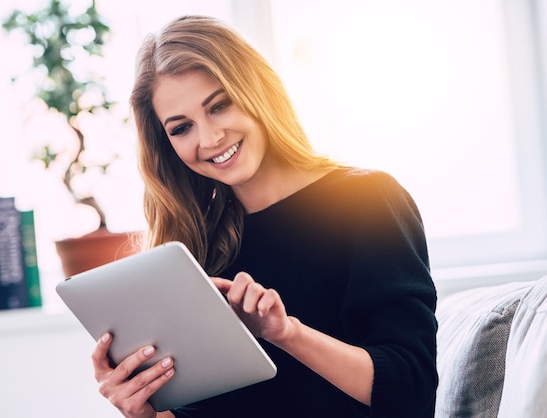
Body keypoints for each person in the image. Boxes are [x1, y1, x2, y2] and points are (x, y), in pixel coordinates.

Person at [91, 15, 438, 418]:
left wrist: (285, 333)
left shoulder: (367, 200)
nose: (209, 139)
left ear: (256, 91)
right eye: (181, 128)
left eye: (219, 105)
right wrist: (143, 411)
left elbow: (410, 392)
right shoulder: (195, 244)